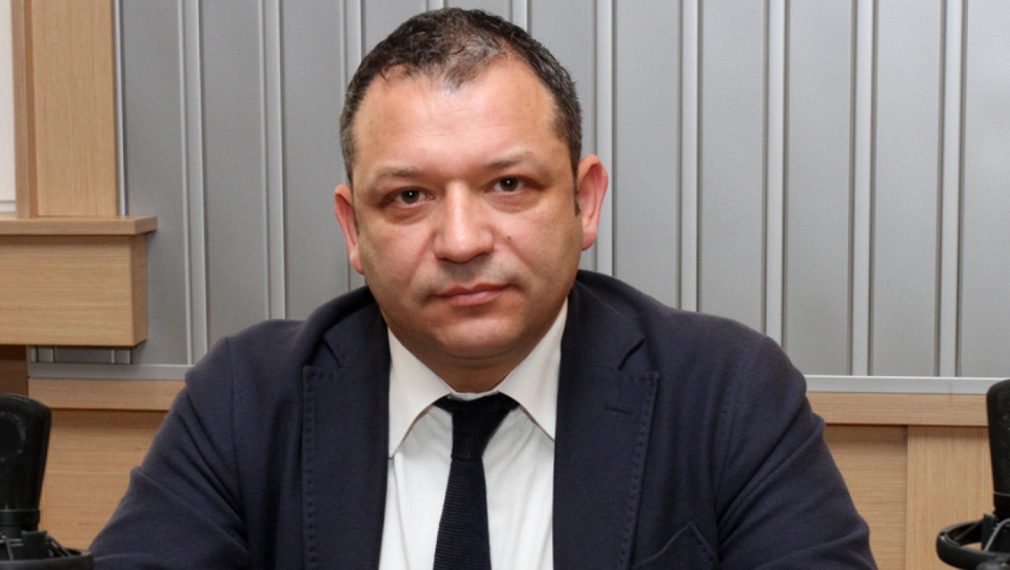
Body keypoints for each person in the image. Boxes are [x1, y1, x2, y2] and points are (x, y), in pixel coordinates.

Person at [91, 8, 875, 569]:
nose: (462, 241)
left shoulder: (728, 395)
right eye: (409, 197)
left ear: (585, 201)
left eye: (508, 185)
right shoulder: (246, 401)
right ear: (353, 229)